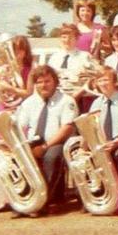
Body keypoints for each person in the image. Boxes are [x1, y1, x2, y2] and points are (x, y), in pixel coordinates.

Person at [15, 65, 77, 210]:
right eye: (39, 82)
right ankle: (24, 199)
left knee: (52, 156)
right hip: (33, 142)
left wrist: (44, 147)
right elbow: (19, 125)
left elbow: (67, 128)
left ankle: (45, 200)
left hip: (57, 142)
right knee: (16, 156)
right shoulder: (29, 103)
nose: (43, 85)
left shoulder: (67, 101)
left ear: (55, 82)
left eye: (47, 81)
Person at [88, 67, 118, 178]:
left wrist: (116, 142)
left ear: (115, 81)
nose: (103, 84)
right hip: (103, 145)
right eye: (100, 81)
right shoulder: (96, 103)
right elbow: (90, 128)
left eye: (106, 80)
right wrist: (83, 149)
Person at [0, 35, 35, 111]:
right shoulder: (6, 68)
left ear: (26, 51)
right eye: (14, 49)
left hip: (24, 107)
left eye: (21, 49)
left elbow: (29, 93)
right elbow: (0, 91)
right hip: (5, 107)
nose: (17, 52)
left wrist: (9, 88)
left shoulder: (31, 69)